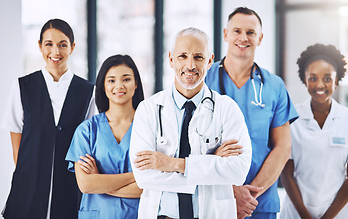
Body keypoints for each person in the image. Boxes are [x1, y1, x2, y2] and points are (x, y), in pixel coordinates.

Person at [129, 27, 252, 219]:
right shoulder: (149, 109)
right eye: (183, 56)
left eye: (198, 57)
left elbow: (238, 170)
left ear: (210, 60)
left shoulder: (227, 109)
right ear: (171, 59)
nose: (190, 65)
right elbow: (144, 177)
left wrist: (173, 164)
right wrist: (210, 165)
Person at [205, 7, 298, 219]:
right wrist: (230, 192)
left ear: (260, 38)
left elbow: (282, 148)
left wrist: (249, 195)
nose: (243, 38)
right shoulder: (203, 82)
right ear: (226, 34)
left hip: (259, 202)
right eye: (237, 31)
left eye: (250, 32)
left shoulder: (274, 86)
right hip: (213, 198)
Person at [1, 19, 96, 219]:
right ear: (39, 46)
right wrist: (30, 177)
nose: (55, 51)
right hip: (28, 187)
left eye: (63, 44)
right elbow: (17, 144)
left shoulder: (88, 92)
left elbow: (88, 143)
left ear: (72, 47)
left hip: (70, 188)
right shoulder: (22, 87)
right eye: (49, 44)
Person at [280, 43, 348, 219]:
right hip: (296, 214)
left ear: (336, 80)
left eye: (327, 78)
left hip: (339, 214)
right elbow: (286, 174)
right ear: (305, 80)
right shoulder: (290, 118)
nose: (320, 84)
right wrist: (306, 217)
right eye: (313, 78)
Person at [65, 54, 144, 219]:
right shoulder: (87, 130)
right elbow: (86, 184)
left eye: (126, 79)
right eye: (111, 80)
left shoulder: (150, 128)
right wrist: (135, 177)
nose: (119, 86)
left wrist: (99, 182)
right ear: (102, 86)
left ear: (136, 83)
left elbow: (150, 187)